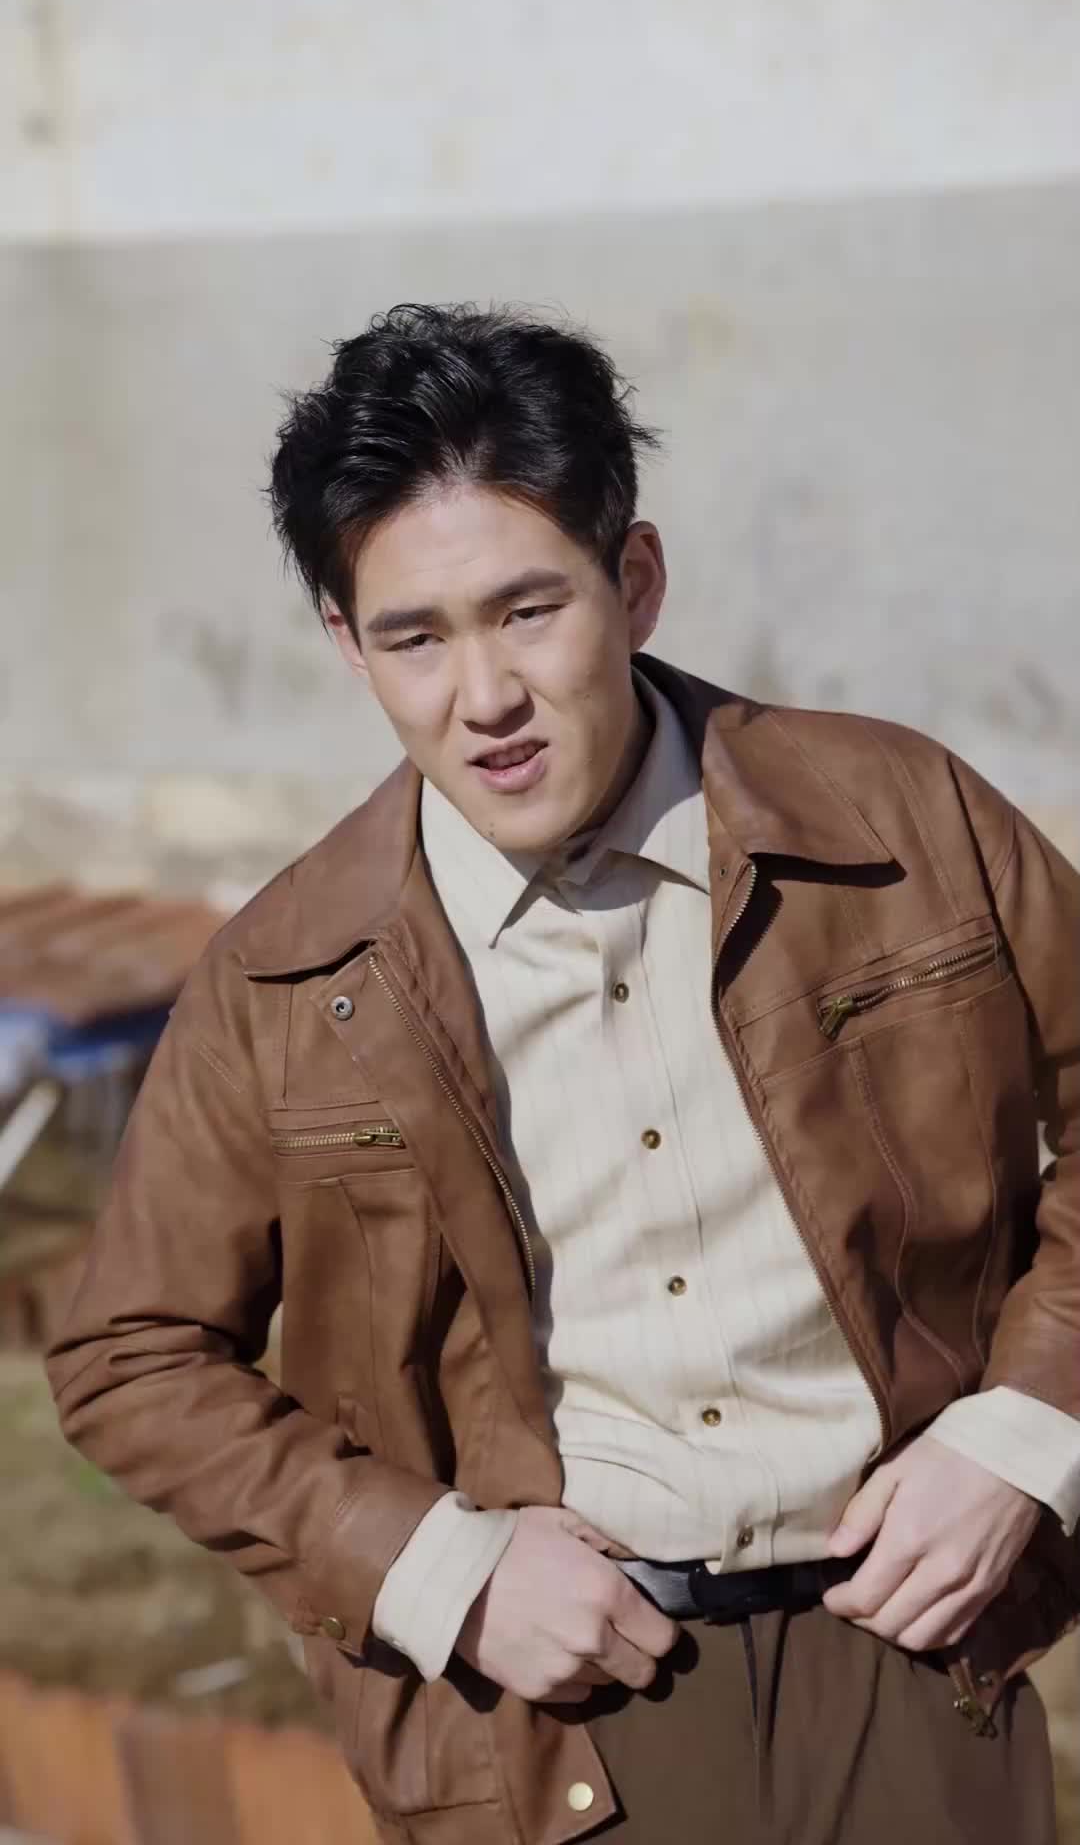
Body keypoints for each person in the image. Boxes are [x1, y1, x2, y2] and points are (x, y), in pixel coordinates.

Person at [47, 304, 1080, 1845]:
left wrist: (1026, 1434)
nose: (485, 698)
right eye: (415, 637)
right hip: (550, 1723)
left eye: (528, 611)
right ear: (346, 643)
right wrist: (434, 1569)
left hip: (917, 1652)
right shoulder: (288, 975)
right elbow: (129, 1353)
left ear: (635, 581)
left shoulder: (901, 819)